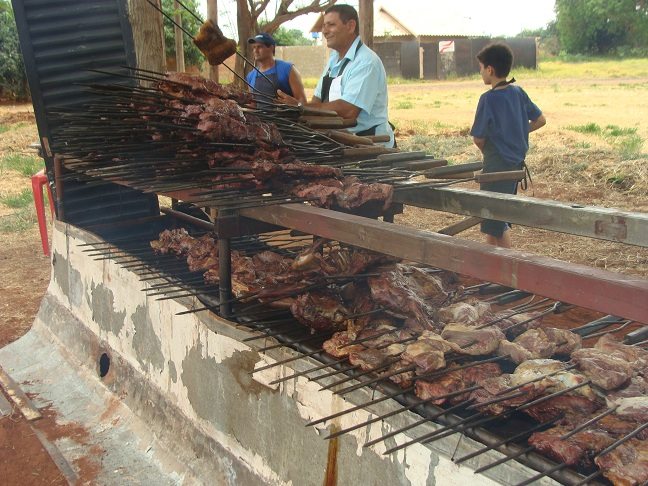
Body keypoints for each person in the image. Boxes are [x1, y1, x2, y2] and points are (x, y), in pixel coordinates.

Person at [277, 4, 395, 147]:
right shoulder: (333, 59)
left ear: (350, 26)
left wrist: (300, 107)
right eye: (324, 26)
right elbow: (317, 100)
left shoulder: (366, 62)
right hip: (341, 141)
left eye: (331, 25)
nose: (324, 31)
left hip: (371, 145)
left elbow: (348, 111)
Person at [470, 43, 546, 248]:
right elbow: (540, 120)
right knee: (494, 221)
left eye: (481, 68)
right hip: (516, 165)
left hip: (496, 166)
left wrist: (490, 150)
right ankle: (490, 263)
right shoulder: (518, 92)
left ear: (490, 70)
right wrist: (518, 131)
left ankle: (509, 264)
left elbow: (478, 138)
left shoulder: (488, 99)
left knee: (495, 220)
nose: (480, 72)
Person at [246, 32, 307, 105]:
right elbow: (253, 105)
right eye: (254, 47)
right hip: (260, 113)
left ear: (271, 48)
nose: (255, 51)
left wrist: (296, 104)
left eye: (259, 47)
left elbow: (303, 103)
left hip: (286, 113)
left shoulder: (288, 69)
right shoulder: (251, 76)